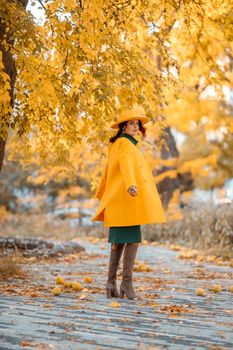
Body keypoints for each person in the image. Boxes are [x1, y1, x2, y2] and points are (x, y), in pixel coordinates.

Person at [91, 107, 166, 300]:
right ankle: (126, 283)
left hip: (118, 200)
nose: (135, 126)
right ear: (123, 127)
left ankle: (110, 284)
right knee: (132, 240)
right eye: (131, 123)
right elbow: (125, 165)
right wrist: (131, 185)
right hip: (126, 199)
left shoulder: (119, 144)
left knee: (118, 243)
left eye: (137, 124)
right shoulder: (124, 144)